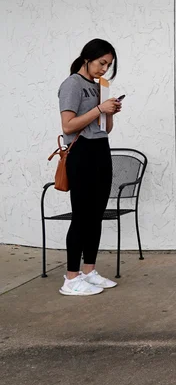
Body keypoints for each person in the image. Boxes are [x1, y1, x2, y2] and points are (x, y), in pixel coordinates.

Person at [57, 39, 123, 296]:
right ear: (87, 58)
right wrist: (98, 108)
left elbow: (103, 129)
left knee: (96, 214)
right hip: (81, 152)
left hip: (100, 150)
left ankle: (88, 271)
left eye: (108, 65)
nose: (104, 69)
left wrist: (110, 113)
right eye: (101, 63)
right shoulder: (72, 84)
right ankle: (71, 278)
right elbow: (67, 126)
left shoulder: (98, 87)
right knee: (81, 215)